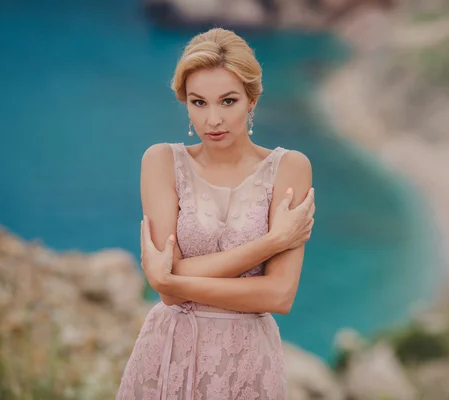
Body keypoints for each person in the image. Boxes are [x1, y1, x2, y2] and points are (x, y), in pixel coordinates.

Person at [116, 27, 315, 400]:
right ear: (185, 102)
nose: (212, 120)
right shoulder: (161, 161)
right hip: (169, 355)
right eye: (198, 102)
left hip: (248, 363)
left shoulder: (290, 167)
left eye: (228, 101)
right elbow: (166, 291)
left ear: (251, 99)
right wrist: (273, 241)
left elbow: (279, 295)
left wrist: (174, 281)